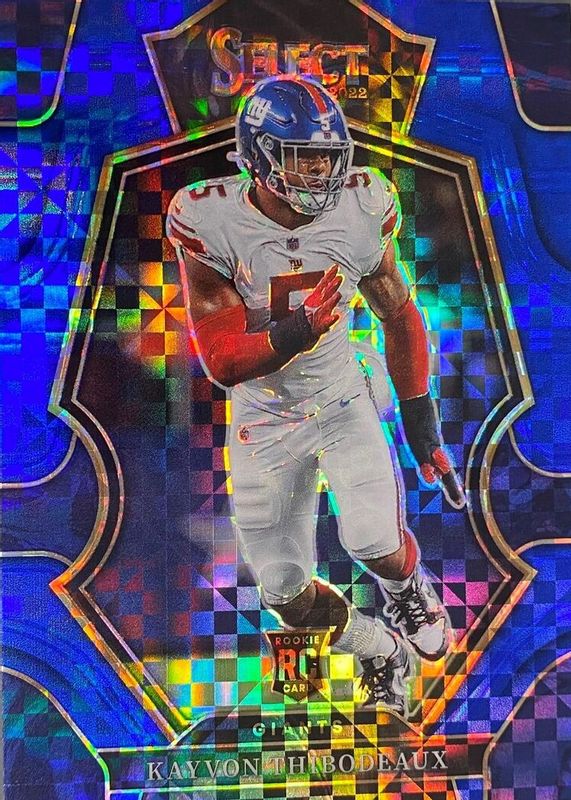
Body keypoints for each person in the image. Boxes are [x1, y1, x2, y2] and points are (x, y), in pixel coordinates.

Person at [167, 75, 465, 716]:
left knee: (374, 540)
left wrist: (423, 429)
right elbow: (222, 360)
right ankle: (379, 648)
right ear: (258, 155)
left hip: (339, 398)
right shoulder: (209, 218)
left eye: (328, 157)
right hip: (263, 416)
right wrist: (298, 329)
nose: (319, 172)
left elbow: (398, 313)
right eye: (301, 156)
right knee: (283, 591)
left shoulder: (361, 205)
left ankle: (408, 590)